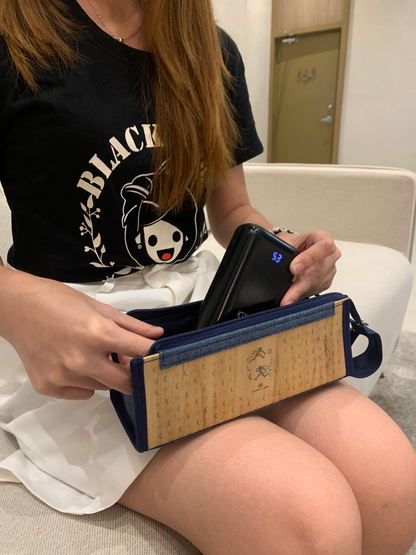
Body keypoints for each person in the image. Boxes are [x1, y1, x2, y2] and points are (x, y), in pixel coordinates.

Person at [0, 1, 415, 554]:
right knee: (312, 522)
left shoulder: (210, 49)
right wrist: (14, 302)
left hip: (209, 311)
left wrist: (281, 250)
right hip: (84, 343)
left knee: (393, 479)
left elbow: (232, 211)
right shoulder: (15, 35)